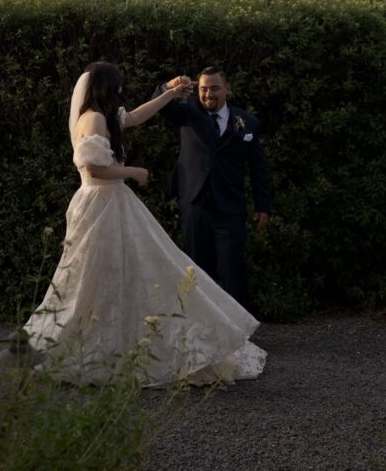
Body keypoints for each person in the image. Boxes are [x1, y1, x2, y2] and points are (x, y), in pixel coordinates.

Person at [19, 62, 266, 387]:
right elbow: (93, 169)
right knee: (90, 277)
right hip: (99, 205)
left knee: (124, 273)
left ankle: (119, 341)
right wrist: (132, 172)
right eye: (118, 86)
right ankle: (66, 347)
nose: (122, 90)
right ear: (106, 87)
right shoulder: (92, 118)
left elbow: (135, 116)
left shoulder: (106, 117)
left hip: (114, 204)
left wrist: (171, 92)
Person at [155, 67, 270, 311]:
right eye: (203, 89)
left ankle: (238, 333)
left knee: (232, 271)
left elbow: (258, 168)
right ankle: (198, 332)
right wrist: (168, 87)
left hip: (230, 208)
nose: (208, 94)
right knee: (196, 271)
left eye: (214, 88)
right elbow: (161, 106)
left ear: (227, 89)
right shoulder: (188, 113)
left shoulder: (247, 122)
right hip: (195, 205)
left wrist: (263, 205)